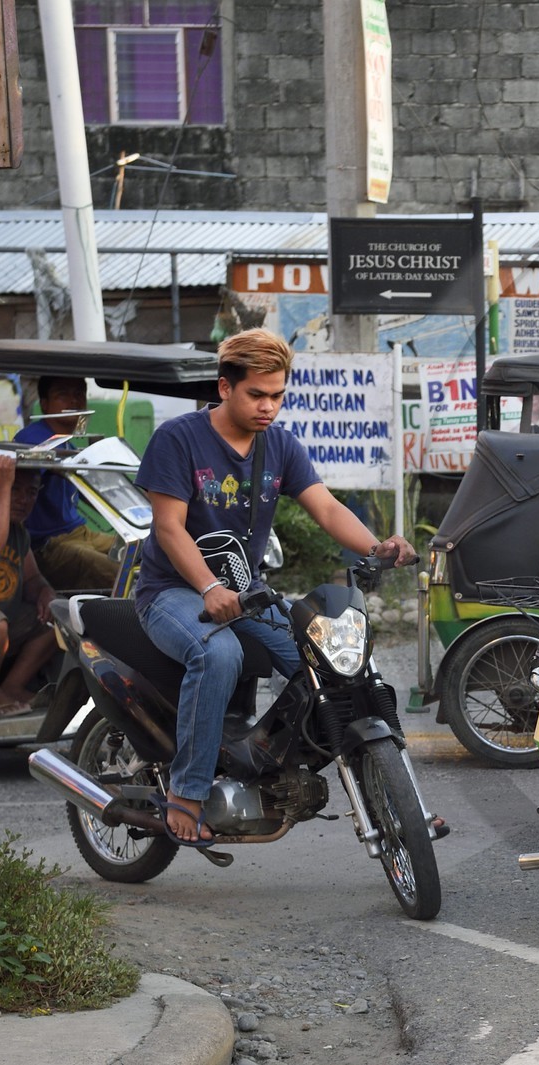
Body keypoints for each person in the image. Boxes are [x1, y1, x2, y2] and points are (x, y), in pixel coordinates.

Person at [136, 327, 420, 844]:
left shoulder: (281, 446)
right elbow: (169, 528)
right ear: (225, 387)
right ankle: (188, 789)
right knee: (218, 655)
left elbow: (328, 508)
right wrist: (206, 588)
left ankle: (390, 798)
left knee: (334, 661)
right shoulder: (178, 439)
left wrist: (376, 547)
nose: (269, 406)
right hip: (172, 593)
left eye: (277, 396)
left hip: (248, 593)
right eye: (257, 395)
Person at [15, 376, 121, 591]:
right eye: (62, 395)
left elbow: (92, 490)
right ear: (45, 404)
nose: (73, 402)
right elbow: (32, 475)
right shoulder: (34, 439)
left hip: (79, 532)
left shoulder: (67, 442)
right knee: (119, 573)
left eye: (79, 394)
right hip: (49, 544)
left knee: (141, 551)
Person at [0, 456, 59, 715]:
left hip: (7, 624)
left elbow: (32, 579)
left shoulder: (18, 531)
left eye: (31, 492)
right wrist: (2, 486)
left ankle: (13, 686)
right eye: (15, 490)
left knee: (60, 615)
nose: (23, 500)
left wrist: (45, 592)